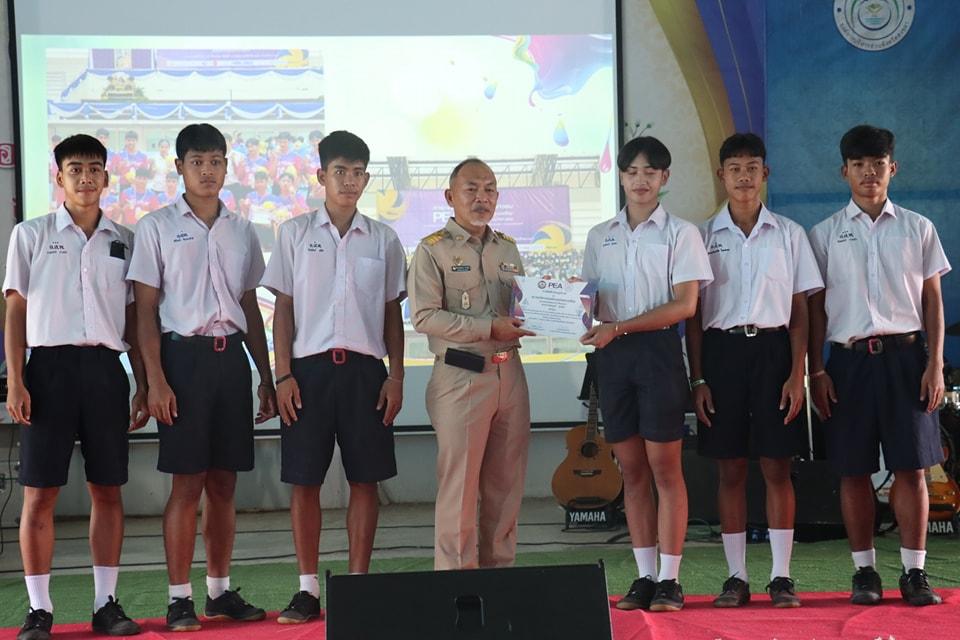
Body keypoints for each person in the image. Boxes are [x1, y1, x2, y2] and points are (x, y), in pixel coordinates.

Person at [127, 123, 277, 631]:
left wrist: (265, 376)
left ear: (227, 167)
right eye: (197, 162)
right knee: (186, 483)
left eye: (215, 161)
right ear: (179, 167)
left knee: (225, 482)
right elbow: (145, 312)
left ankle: (218, 591)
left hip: (231, 360)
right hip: (182, 362)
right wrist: (155, 380)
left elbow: (250, 307)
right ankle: (178, 599)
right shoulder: (156, 226)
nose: (207, 171)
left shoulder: (242, 230)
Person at [4, 133, 148, 640]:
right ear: (59, 177)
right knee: (40, 493)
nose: (85, 177)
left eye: (93, 169)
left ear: (106, 177)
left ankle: (105, 604)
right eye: (75, 169)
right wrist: (16, 379)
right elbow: (15, 310)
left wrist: (144, 383)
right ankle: (39, 609)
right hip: (48, 371)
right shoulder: (31, 234)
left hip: (107, 371)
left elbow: (135, 319)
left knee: (107, 489)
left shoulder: (125, 239)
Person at [261, 130, 406, 623]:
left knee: (365, 480)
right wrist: (283, 375)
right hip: (308, 373)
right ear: (321, 175)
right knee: (304, 481)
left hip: (367, 374)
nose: (349, 181)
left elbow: (391, 314)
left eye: (358, 173)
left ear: (367, 178)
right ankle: (306, 590)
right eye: (340, 172)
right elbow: (283, 310)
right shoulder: (294, 233)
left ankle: (357, 587)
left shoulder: (384, 239)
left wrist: (396, 376)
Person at [808, 124, 949, 607]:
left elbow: (933, 301)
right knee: (853, 470)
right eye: (859, 165)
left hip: (908, 360)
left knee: (911, 469)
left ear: (894, 168)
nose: (869, 172)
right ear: (844, 171)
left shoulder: (918, 227)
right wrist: (816, 371)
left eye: (878, 163)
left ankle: (915, 572)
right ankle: (864, 573)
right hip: (847, 365)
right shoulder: (824, 235)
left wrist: (935, 363)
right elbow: (815, 311)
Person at [685, 133, 823, 608]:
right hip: (721, 355)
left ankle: (781, 577)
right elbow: (693, 318)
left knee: (777, 466)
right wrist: (698, 378)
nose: (743, 177)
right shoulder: (701, 237)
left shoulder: (789, 234)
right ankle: (736, 577)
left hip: (774, 353)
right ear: (721, 175)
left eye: (752, 168)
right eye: (734, 168)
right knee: (730, 469)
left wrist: (797, 373)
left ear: (765, 174)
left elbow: (801, 311)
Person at [581, 136, 712, 612]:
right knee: (632, 471)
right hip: (612, 358)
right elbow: (588, 300)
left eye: (650, 172)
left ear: (665, 178)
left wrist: (618, 326)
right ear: (620, 176)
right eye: (632, 171)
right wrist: (556, 303)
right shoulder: (600, 235)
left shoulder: (682, 233)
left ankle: (670, 579)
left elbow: (685, 305)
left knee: (665, 469)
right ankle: (644, 576)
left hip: (658, 353)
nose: (641, 180)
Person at [407, 158, 533, 570]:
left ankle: (500, 580)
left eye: (490, 189)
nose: (482, 198)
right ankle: (458, 587)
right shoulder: (432, 249)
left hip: (509, 374)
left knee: (506, 485)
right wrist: (487, 327)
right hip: (461, 375)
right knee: (459, 488)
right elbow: (424, 316)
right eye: (472, 189)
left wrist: (562, 304)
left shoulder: (507, 247)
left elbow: (523, 306)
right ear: (450, 196)